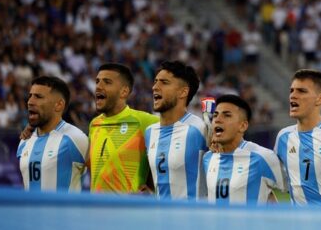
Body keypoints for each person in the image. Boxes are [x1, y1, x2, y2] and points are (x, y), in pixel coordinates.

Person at [274, 69, 321, 205]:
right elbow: (274, 182)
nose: (293, 96)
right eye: (292, 91)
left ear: (320, 99)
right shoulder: (283, 137)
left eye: (301, 91)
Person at [90, 63, 159, 193]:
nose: (98, 86)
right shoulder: (94, 124)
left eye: (107, 82)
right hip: (94, 210)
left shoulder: (145, 122)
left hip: (128, 211)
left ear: (124, 91)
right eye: (97, 81)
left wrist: (152, 189)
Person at [144, 61, 208, 200]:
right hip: (161, 219)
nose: (155, 87)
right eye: (155, 82)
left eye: (164, 82)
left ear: (183, 92)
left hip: (193, 219)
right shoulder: (149, 132)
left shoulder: (200, 130)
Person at [203, 95, 284, 204]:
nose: (217, 119)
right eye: (215, 115)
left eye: (226, 115)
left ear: (243, 126)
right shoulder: (208, 158)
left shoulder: (263, 157)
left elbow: (296, 190)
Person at [17, 76, 88, 192]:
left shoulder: (75, 138)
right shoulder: (25, 140)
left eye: (38, 97)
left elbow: (101, 176)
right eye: (30, 96)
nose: (30, 102)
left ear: (59, 105)